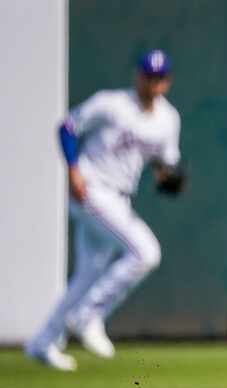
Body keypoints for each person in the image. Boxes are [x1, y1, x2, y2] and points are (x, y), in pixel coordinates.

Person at [24, 50, 182, 371]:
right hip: (92, 188)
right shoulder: (112, 104)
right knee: (146, 252)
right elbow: (67, 127)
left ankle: (42, 341)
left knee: (88, 274)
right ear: (137, 75)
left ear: (166, 83)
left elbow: (165, 162)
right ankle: (87, 315)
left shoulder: (168, 120)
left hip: (121, 197)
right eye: (145, 75)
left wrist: (167, 176)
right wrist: (72, 170)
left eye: (157, 78)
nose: (150, 82)